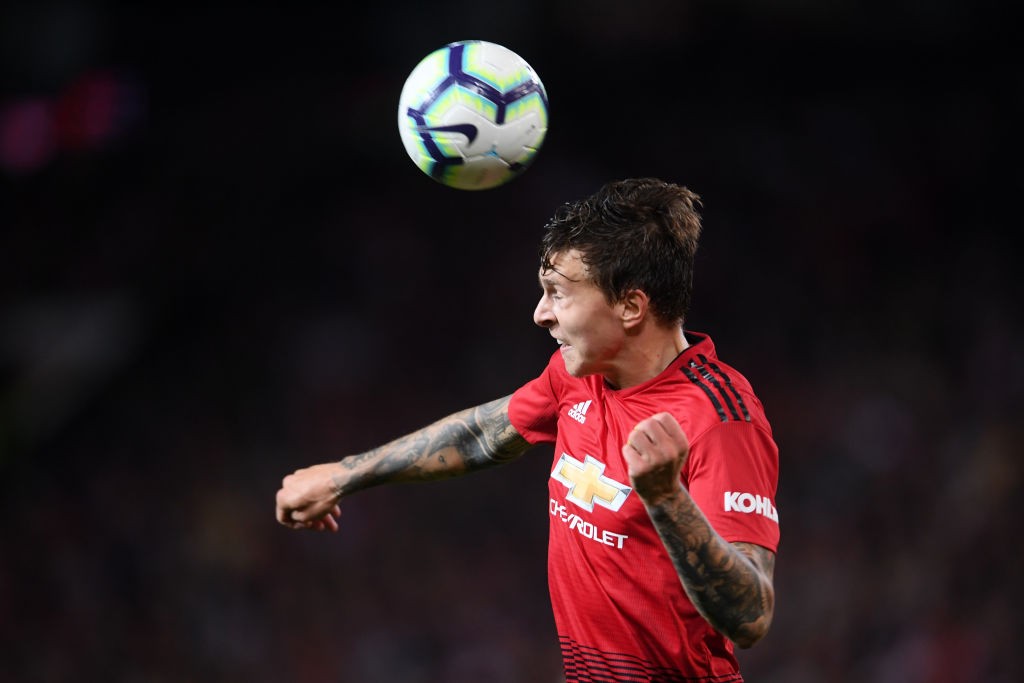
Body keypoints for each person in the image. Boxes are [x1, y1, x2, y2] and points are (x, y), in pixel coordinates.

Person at [275, 177, 780, 682]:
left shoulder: (721, 419)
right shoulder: (578, 376)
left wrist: (667, 500)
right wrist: (344, 474)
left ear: (630, 306)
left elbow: (751, 615)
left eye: (558, 294)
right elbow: (482, 434)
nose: (540, 314)